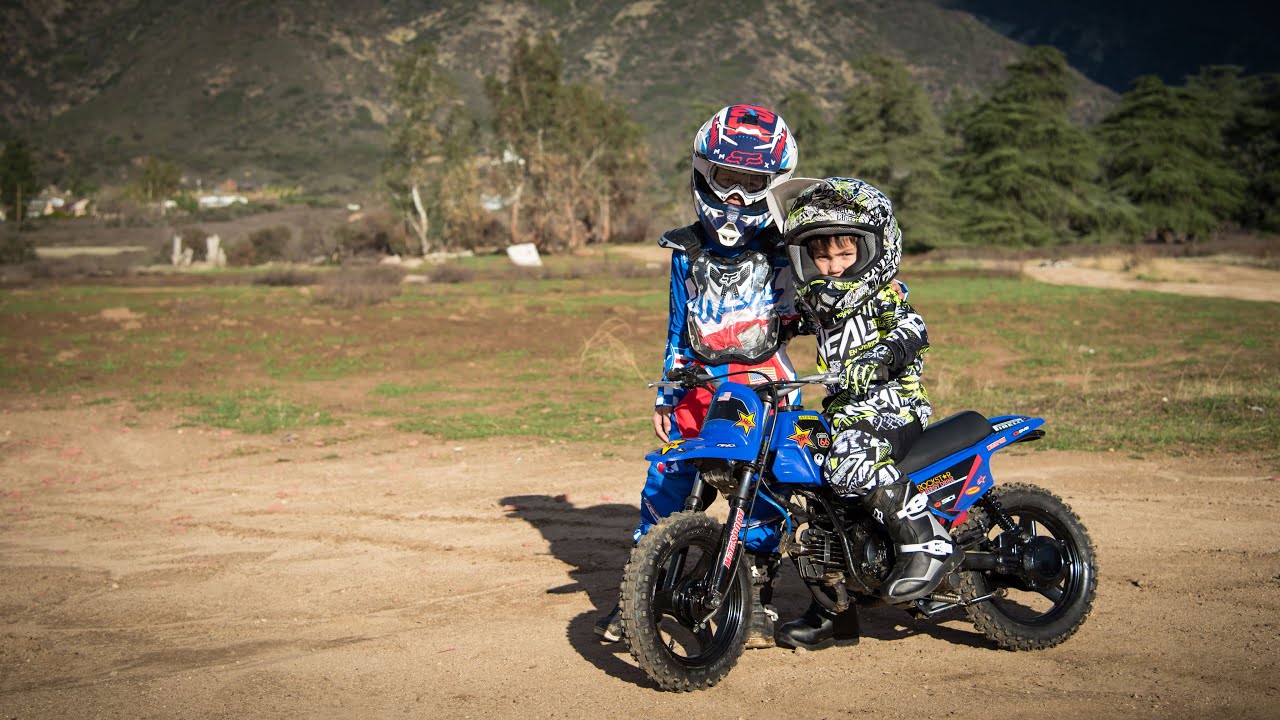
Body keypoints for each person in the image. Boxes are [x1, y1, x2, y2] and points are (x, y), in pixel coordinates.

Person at [595, 104, 802, 647]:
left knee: (761, 491)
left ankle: (754, 600)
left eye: (751, 182)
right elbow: (677, 320)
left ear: (771, 184)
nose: (735, 197)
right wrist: (668, 388)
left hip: (765, 384)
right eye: (728, 178)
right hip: (697, 382)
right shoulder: (685, 248)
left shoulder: (786, 248)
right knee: (667, 484)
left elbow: (810, 309)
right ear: (705, 173)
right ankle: (645, 596)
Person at [766, 177, 961, 651]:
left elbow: (913, 329)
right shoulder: (819, 305)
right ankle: (834, 608)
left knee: (851, 456)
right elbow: (783, 328)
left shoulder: (885, 295)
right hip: (846, 412)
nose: (832, 268)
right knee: (812, 496)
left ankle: (924, 542)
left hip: (892, 408)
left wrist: (880, 357)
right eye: (821, 257)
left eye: (845, 255)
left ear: (875, 249)